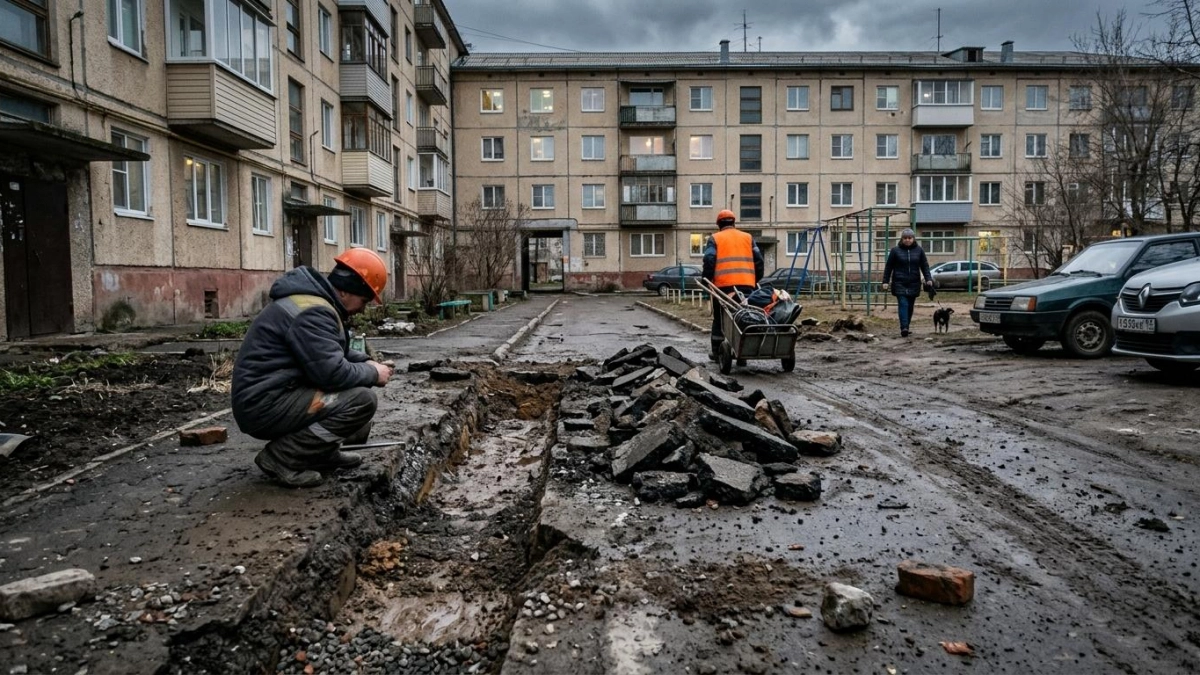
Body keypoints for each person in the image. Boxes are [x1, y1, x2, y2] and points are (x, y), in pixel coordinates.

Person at [232, 248, 393, 487]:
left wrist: (365, 361)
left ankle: (318, 453)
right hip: (264, 404)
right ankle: (283, 457)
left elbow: (328, 351)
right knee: (361, 400)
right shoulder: (314, 313)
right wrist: (373, 373)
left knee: (353, 392)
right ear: (345, 291)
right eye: (364, 301)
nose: (363, 309)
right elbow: (332, 373)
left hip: (271, 394)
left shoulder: (315, 304)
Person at [702, 209, 764, 360]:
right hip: (747, 285)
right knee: (745, 316)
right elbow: (759, 260)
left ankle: (717, 352)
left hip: (722, 287)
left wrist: (707, 279)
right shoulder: (748, 238)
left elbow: (709, 259)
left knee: (720, 319)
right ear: (734, 223)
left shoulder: (715, 238)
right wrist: (755, 279)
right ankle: (744, 352)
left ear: (719, 225)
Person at [881, 228, 934, 337]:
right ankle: (904, 327)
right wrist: (885, 281)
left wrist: (928, 279)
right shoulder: (895, 251)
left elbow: (924, 266)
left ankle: (907, 326)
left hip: (914, 282)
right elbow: (889, 267)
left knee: (910, 306)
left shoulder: (919, 250)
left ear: (913, 239)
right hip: (899, 282)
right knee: (903, 304)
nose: (907, 240)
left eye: (909, 238)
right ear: (902, 239)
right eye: (905, 238)